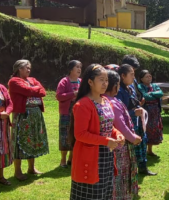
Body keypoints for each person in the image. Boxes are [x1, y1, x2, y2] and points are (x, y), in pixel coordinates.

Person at [70, 64, 125, 200]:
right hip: (90, 157)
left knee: (105, 193)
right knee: (92, 194)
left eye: (106, 80)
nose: (105, 83)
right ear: (90, 82)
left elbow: (108, 126)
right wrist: (106, 141)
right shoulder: (83, 105)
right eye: (101, 79)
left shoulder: (105, 101)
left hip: (106, 156)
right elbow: (80, 134)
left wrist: (117, 134)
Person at [8, 59, 49, 181]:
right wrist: (35, 89)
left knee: (34, 139)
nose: (29, 70)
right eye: (27, 67)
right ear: (19, 69)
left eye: (29, 68)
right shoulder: (14, 81)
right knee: (19, 141)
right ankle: (18, 171)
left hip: (35, 114)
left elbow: (43, 92)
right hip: (22, 115)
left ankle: (31, 168)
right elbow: (28, 91)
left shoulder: (32, 80)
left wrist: (34, 89)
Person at [104, 69, 141, 200]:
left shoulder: (106, 100)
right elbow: (120, 124)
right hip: (119, 146)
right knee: (120, 177)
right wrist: (132, 137)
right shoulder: (112, 102)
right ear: (115, 86)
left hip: (113, 144)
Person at [116, 64, 157, 176]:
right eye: (132, 74)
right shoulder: (119, 91)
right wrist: (133, 112)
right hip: (128, 126)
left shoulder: (131, 88)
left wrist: (139, 106)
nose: (134, 77)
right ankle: (131, 174)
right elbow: (119, 113)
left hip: (138, 123)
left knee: (142, 143)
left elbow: (134, 103)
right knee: (131, 150)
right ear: (123, 76)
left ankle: (143, 168)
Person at [56, 60, 82, 168]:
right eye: (77, 67)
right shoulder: (64, 81)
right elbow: (59, 96)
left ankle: (71, 159)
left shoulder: (81, 81)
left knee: (75, 134)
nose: (79, 69)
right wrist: (73, 94)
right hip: (67, 112)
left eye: (80, 67)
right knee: (65, 135)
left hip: (79, 112)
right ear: (71, 69)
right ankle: (63, 160)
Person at [138, 70, 163, 157]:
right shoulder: (140, 86)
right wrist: (153, 95)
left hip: (155, 111)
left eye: (150, 76)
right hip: (147, 111)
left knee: (154, 129)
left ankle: (150, 150)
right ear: (141, 79)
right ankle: (144, 150)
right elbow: (146, 97)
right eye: (146, 77)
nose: (149, 78)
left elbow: (161, 93)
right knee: (146, 129)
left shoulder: (154, 85)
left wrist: (152, 92)